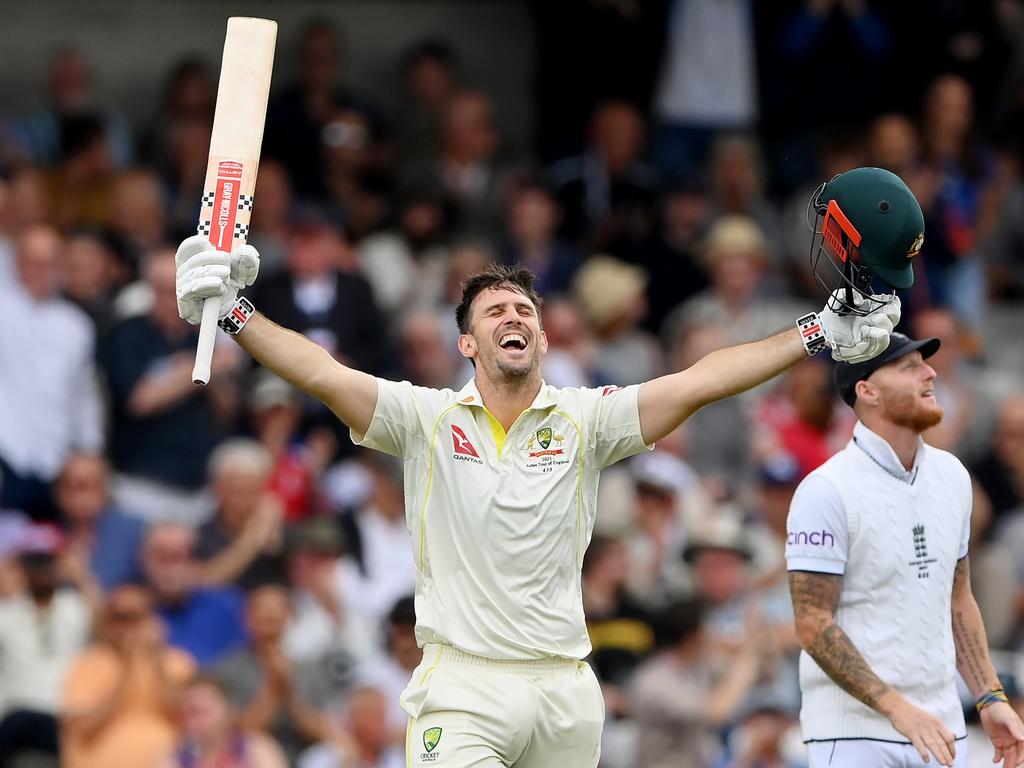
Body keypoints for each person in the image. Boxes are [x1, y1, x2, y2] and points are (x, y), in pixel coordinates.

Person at [173, 166, 909, 767]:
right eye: (494, 312)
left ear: (544, 337)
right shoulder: (425, 419)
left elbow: (701, 380)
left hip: (564, 691)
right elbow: (323, 373)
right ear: (467, 345)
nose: (514, 319)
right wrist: (236, 314)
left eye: (524, 310)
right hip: (463, 686)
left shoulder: (587, 421)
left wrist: (816, 331)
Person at [786, 332, 1024, 767]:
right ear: (868, 390)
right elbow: (812, 624)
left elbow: (957, 599)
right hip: (853, 735)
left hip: (942, 732)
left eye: (925, 363)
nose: (930, 372)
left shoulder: (952, 475)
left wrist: (990, 698)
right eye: (909, 366)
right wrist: (900, 711)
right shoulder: (825, 490)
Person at [61, 585, 196, 768]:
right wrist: (126, 670)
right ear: (106, 623)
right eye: (119, 617)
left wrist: (156, 658)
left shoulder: (177, 662)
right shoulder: (86, 664)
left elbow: (189, 719)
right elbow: (81, 728)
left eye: (136, 617)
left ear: (153, 619)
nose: (127, 627)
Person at [162, 675, 288, 768]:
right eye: (187, 715)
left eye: (201, 712)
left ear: (229, 710)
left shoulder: (256, 748)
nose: (193, 722)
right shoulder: (176, 757)